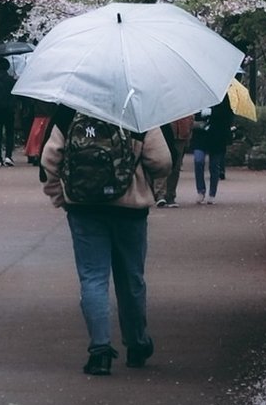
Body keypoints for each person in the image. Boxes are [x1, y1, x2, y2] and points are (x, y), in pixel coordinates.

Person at [41, 105, 171, 375]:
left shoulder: (70, 109)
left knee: (92, 277)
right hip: (131, 211)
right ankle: (136, 344)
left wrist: (61, 196)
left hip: (84, 208)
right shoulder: (139, 110)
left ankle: (99, 350)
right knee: (131, 278)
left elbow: (49, 159)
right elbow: (162, 161)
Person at [190, 94, 233, 204]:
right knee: (198, 160)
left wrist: (212, 113)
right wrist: (200, 113)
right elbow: (192, 112)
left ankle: (212, 193)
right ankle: (200, 191)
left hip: (217, 136)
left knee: (214, 166)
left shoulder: (223, 96)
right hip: (201, 135)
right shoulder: (199, 94)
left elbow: (226, 114)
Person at [156, 115, 193, 206]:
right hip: (166, 133)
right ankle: (160, 194)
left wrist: (188, 135)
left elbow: (191, 118)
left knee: (175, 167)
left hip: (181, 135)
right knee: (164, 163)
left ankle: (170, 195)